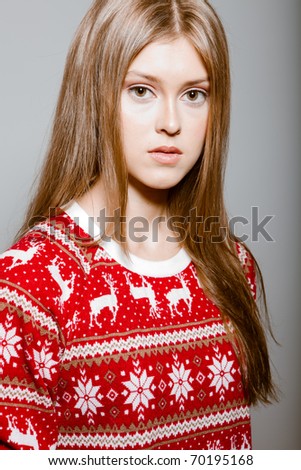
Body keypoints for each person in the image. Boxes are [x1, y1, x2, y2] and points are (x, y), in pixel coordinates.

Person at [0, 0, 276, 450]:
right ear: (95, 94)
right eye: (141, 90)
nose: (171, 123)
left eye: (194, 94)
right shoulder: (29, 286)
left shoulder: (231, 266)